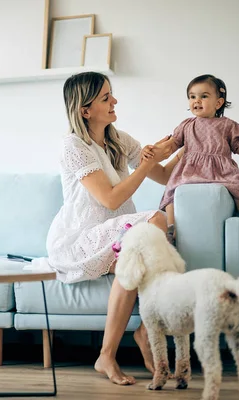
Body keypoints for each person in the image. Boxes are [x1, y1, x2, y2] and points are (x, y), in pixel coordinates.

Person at [43, 71, 180, 385]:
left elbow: (163, 174)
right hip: (81, 238)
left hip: (119, 236)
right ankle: (140, 335)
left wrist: (198, 139)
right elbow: (109, 198)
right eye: (106, 97)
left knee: (141, 253)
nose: (114, 100)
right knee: (158, 220)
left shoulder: (119, 139)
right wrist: (145, 163)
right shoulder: (73, 146)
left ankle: (122, 346)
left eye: (111, 94)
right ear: (85, 110)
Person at [159, 74, 239, 245]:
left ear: (218, 103)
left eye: (204, 96)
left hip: (222, 169)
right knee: (172, 189)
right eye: (192, 97)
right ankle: (172, 229)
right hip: (190, 169)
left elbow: (238, 147)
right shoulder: (186, 125)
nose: (197, 101)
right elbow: (173, 145)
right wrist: (159, 148)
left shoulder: (227, 125)